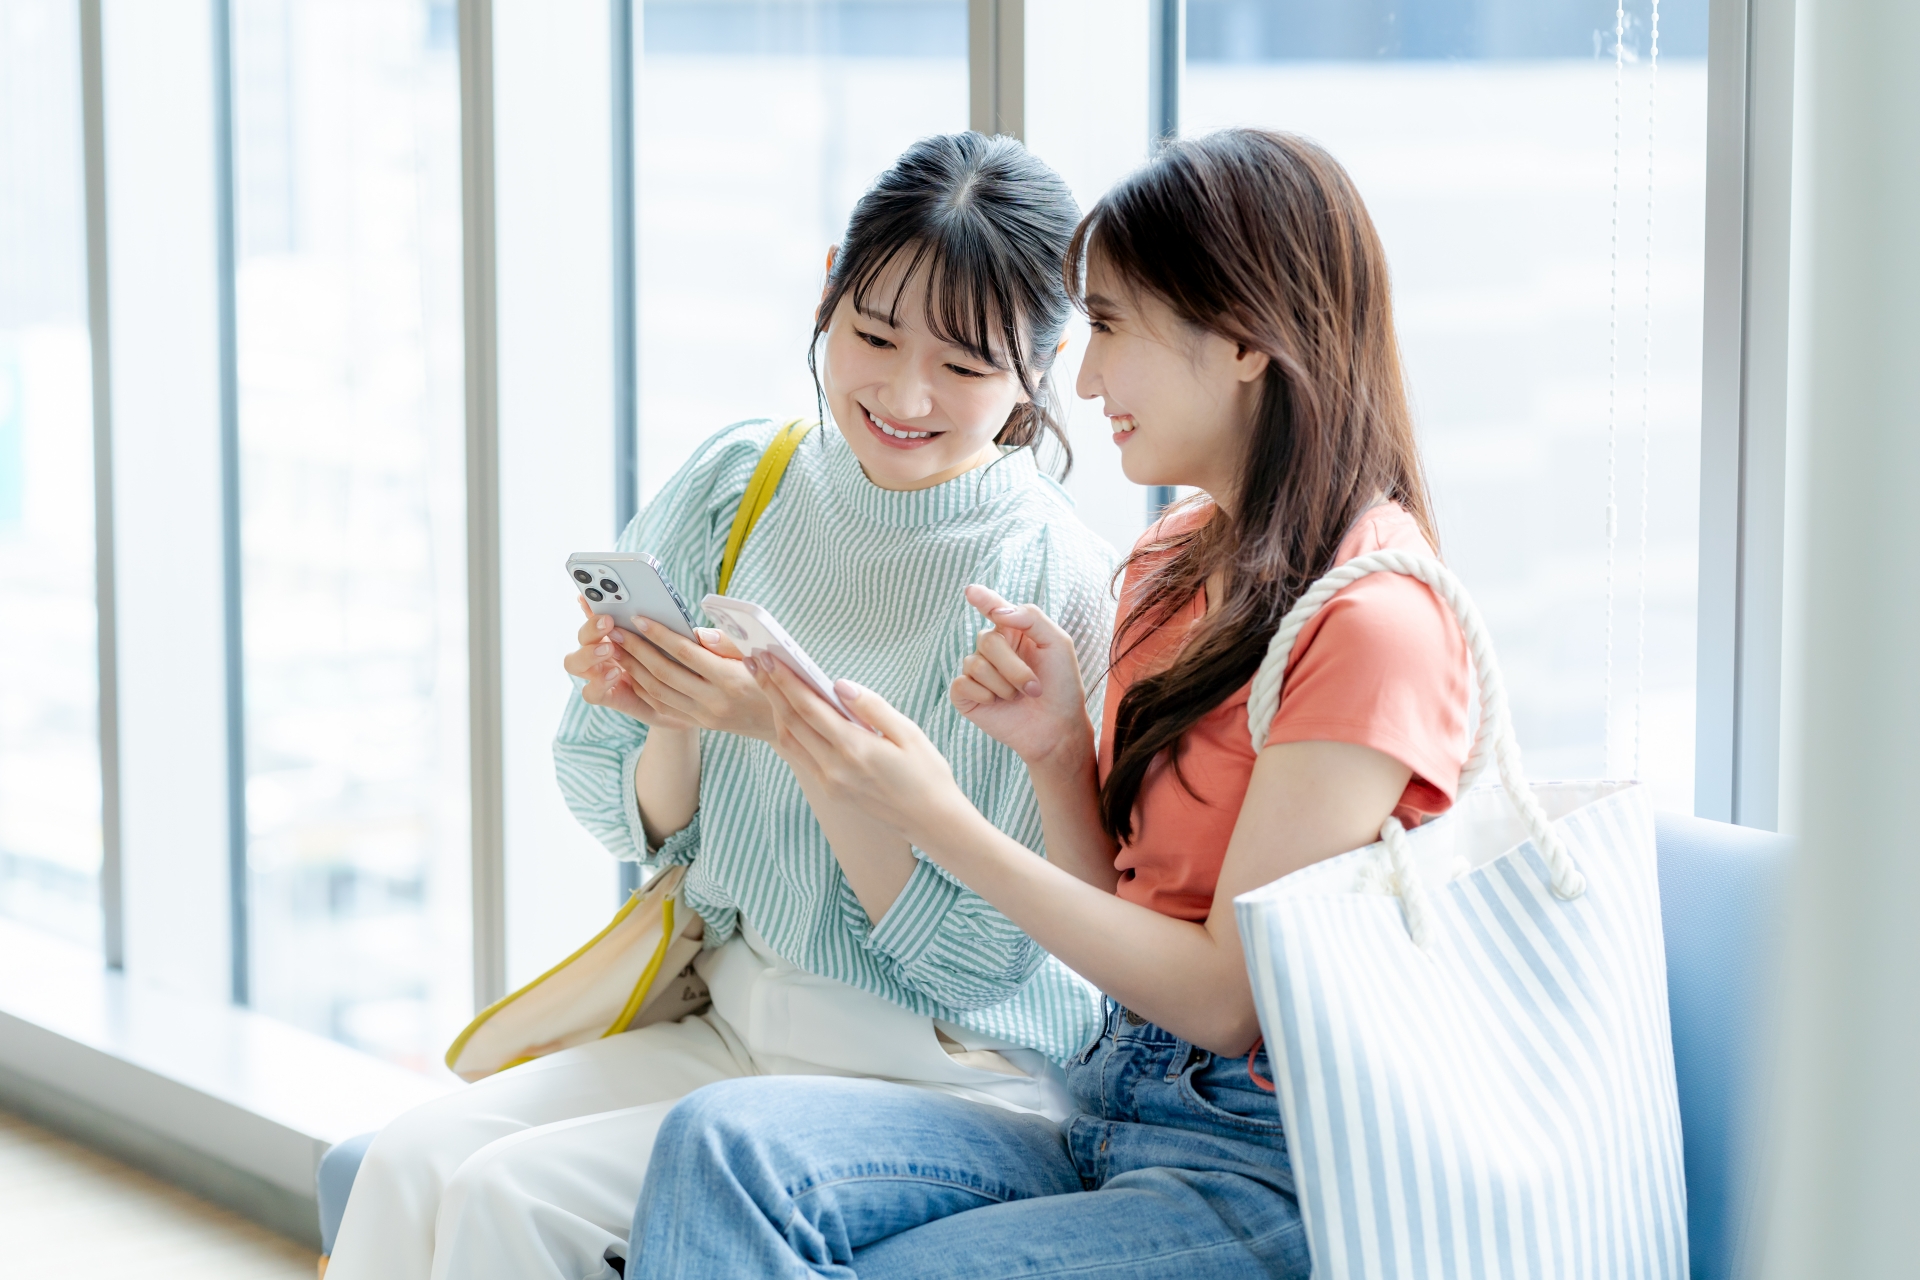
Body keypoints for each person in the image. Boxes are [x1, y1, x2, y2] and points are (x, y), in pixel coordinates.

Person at [625, 127, 1473, 1279]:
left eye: (1111, 325)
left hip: (1273, 1168)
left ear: (1241, 339)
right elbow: (1112, 914)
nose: (1080, 379)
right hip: (1105, 1099)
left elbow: (1228, 1001)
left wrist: (934, 816)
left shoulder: (1374, 622)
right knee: (722, 1145)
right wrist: (1058, 751)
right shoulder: (1176, 561)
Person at [322, 132, 1118, 1280]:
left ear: (1040, 364)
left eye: (963, 365)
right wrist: (674, 709)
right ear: (830, 286)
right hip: (734, 1015)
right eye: (874, 334)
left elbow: (978, 963)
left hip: (932, 1071)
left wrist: (793, 733)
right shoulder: (742, 481)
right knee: (410, 1157)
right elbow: (623, 813)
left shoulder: (1050, 586)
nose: (903, 393)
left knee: (509, 1195)